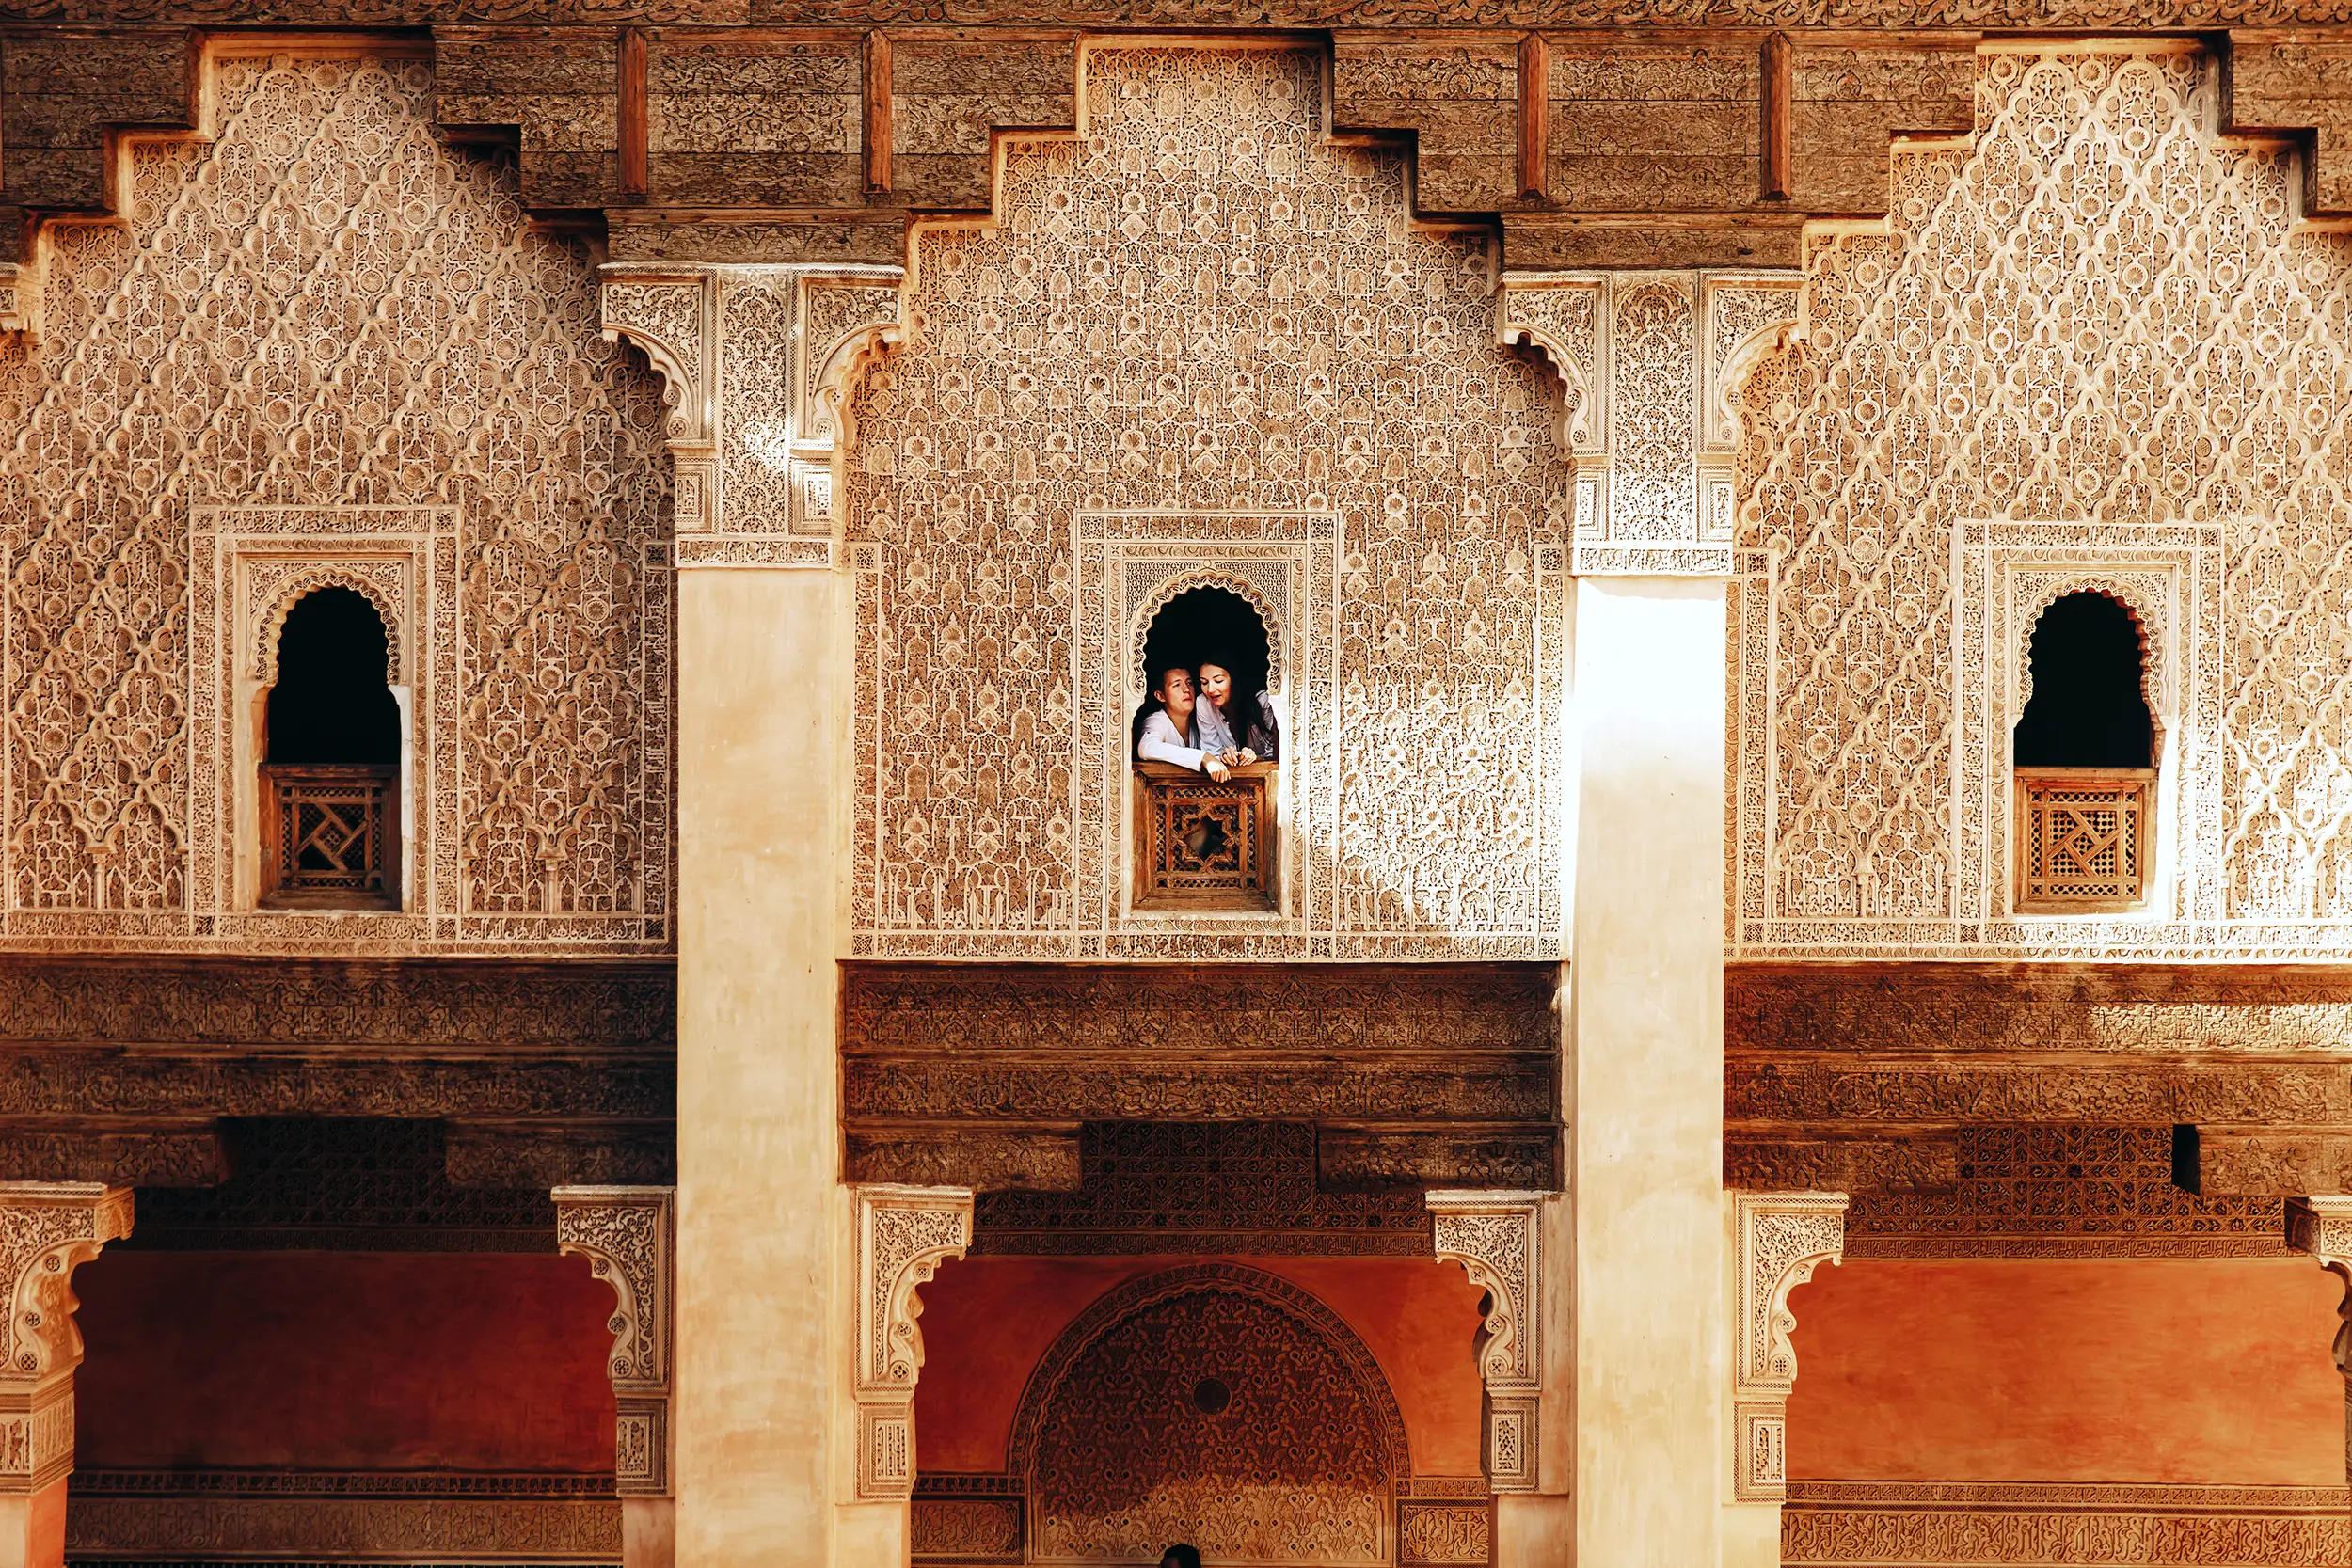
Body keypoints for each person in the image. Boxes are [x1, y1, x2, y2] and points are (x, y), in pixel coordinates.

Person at [1136, 665, 1232, 783]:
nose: (1186, 689)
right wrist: (1204, 758)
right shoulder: (1157, 720)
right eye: (1177, 685)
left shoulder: (1198, 722)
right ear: (1160, 696)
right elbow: (1147, 748)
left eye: (1189, 683)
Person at [1197, 659, 1279, 764]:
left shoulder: (1262, 702)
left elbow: (1274, 754)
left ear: (1234, 680)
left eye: (1218, 681)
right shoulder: (1204, 703)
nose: (1210, 689)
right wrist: (1224, 756)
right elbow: (1210, 751)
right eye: (1204, 682)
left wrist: (1253, 758)